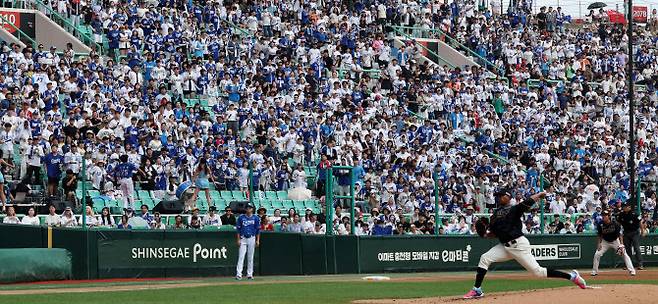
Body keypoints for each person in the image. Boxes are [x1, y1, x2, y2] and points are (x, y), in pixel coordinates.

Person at [464, 190, 587, 299]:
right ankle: (477, 290)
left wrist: (539, 195)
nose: (499, 197)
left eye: (501, 195)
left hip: (519, 245)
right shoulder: (495, 215)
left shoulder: (513, 209)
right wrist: (485, 234)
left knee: (538, 272)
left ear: (508, 197)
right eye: (498, 196)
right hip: (506, 247)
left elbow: (527, 202)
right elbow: (495, 233)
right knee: (485, 258)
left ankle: (572, 276)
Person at [592, 210, 636, 276]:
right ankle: (594, 271)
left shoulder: (615, 224)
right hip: (605, 241)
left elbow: (620, 234)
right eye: (603, 215)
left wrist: (621, 244)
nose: (603, 217)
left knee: (624, 254)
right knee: (597, 254)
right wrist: (599, 244)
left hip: (615, 241)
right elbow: (600, 235)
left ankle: (632, 270)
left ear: (609, 216)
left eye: (605, 215)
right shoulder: (600, 224)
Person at [235, 204, 260, 280]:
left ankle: (250, 274)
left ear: (252, 209)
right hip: (243, 238)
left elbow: (258, 230)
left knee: (250, 257)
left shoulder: (255, 218)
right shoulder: (241, 217)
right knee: (241, 256)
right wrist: (238, 239)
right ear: (245, 209)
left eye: (250, 208)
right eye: (247, 208)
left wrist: (258, 240)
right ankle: (239, 274)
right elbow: (238, 230)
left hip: (252, 238)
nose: (248, 209)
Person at [618, 202, 644, 270]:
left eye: (626, 206)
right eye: (623, 206)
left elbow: (640, 222)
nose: (624, 208)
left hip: (635, 232)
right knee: (627, 249)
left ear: (629, 207)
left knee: (636, 247)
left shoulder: (634, 213)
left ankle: (640, 264)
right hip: (626, 232)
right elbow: (619, 223)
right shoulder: (621, 214)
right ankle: (628, 265)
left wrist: (643, 231)